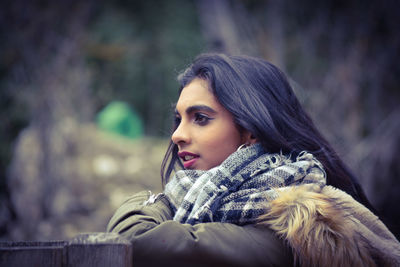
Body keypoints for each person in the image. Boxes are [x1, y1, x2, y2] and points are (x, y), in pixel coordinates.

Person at [107, 53, 400, 266]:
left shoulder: (294, 227)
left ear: (251, 132)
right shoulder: (211, 204)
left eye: (200, 118)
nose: (177, 135)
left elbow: (132, 240)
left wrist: (155, 202)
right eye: (178, 119)